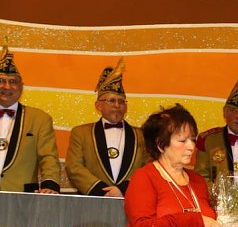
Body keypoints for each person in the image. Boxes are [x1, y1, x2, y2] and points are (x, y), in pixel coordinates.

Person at [65, 59, 148, 197]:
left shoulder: (141, 135)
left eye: (121, 101)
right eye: (111, 100)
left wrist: (123, 189)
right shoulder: (81, 133)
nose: (117, 105)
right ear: (98, 106)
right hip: (92, 200)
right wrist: (101, 191)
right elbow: (74, 167)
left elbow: (147, 167)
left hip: (130, 200)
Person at [0, 43, 61, 193]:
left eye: (13, 81)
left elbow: (48, 157)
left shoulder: (40, 119)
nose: (7, 87)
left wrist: (50, 185)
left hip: (22, 197)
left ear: (21, 87)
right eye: (1, 81)